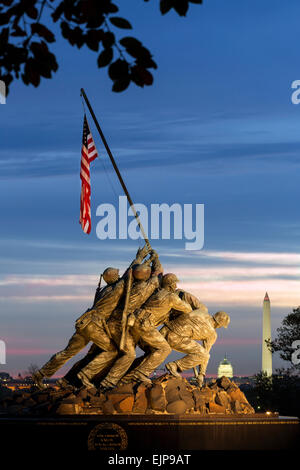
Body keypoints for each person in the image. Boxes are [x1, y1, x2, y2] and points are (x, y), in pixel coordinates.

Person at [32, 245, 151, 389]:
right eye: (117, 276)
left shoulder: (103, 290)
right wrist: (140, 257)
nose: (119, 277)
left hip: (83, 322)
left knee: (67, 352)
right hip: (94, 325)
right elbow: (130, 274)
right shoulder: (115, 289)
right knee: (112, 350)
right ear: (113, 278)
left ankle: (41, 374)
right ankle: (84, 375)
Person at [77, 250, 163, 390]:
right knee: (129, 354)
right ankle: (106, 382)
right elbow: (158, 273)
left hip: (112, 323)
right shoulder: (145, 288)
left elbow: (129, 273)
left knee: (116, 352)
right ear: (146, 275)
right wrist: (155, 259)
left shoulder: (128, 284)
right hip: (120, 325)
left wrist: (141, 259)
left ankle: (91, 375)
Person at [118, 273, 192, 386]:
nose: (176, 286)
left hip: (135, 321)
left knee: (152, 351)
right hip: (145, 325)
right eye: (175, 283)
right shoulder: (171, 297)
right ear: (171, 285)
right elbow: (187, 309)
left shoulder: (157, 292)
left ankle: (127, 377)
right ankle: (141, 373)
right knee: (164, 349)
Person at [162, 310, 230, 387]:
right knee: (204, 355)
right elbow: (205, 354)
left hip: (165, 329)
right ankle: (175, 365)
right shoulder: (212, 334)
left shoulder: (202, 312)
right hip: (175, 338)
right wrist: (201, 374)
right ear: (220, 324)